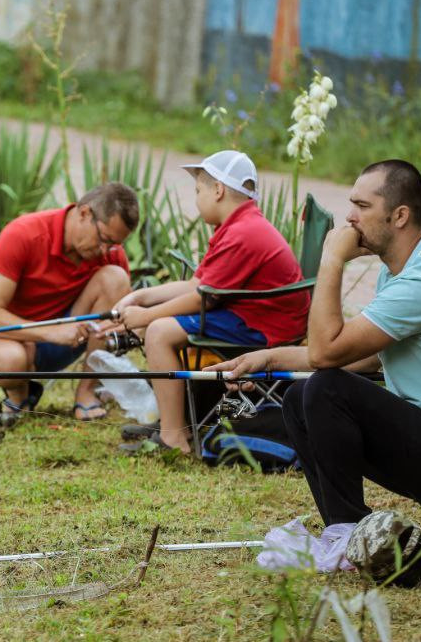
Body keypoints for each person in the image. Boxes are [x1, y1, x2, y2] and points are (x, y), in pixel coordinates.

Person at [215, 159, 421, 525]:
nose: (350, 218)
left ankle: (348, 534)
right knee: (299, 398)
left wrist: (332, 260)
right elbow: (368, 358)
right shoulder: (406, 266)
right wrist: (268, 360)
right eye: (352, 205)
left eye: (362, 207)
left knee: (325, 389)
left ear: (400, 215)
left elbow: (326, 351)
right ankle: (345, 530)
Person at [113, 151, 309, 454]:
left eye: (198, 191)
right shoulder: (239, 225)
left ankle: (173, 438)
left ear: (218, 190)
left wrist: (145, 316)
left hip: (264, 327)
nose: (196, 199)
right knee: (158, 326)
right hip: (252, 313)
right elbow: (198, 285)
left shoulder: (243, 232)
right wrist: (140, 297)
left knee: (159, 332)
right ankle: (173, 421)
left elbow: (200, 298)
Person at [0, 183, 139, 424]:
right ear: (84, 213)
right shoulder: (23, 233)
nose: (105, 251)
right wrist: (50, 332)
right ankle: (19, 397)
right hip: (6, 339)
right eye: (103, 239)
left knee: (116, 278)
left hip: (65, 338)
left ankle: (87, 391)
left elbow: (117, 316)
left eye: (113, 245)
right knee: (12, 360)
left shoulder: (109, 254)